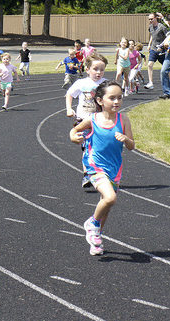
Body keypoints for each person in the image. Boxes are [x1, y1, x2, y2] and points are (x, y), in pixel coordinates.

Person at [70, 80, 135, 256]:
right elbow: (75, 130)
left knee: (105, 205)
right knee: (110, 198)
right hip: (94, 165)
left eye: (119, 98)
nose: (117, 102)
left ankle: (95, 238)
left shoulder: (124, 120)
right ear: (100, 101)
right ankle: (91, 223)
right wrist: (74, 137)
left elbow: (131, 146)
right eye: (112, 98)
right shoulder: (93, 119)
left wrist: (126, 139)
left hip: (114, 168)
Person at [65, 53, 108, 188]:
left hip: (100, 121)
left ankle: (101, 173)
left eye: (102, 69)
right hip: (83, 120)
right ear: (87, 69)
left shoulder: (106, 84)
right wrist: (68, 109)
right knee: (87, 148)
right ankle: (87, 175)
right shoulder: (81, 83)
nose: (99, 72)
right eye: (95, 69)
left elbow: (112, 99)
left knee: (99, 149)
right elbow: (69, 94)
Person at [145, 13, 168, 89]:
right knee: (149, 64)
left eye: (151, 19)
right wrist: (149, 44)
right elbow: (152, 35)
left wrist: (162, 46)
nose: (150, 20)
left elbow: (167, 36)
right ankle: (151, 83)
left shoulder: (162, 27)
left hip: (162, 50)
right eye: (149, 19)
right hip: (153, 49)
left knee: (166, 68)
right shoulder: (150, 27)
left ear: (156, 18)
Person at [159, 32, 170, 99]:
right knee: (163, 71)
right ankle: (167, 93)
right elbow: (164, 44)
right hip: (168, 55)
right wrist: (162, 47)